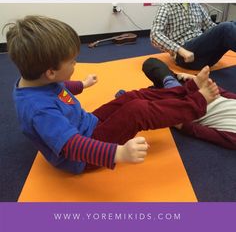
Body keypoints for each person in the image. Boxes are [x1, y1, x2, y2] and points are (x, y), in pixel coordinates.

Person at [5, 15, 219, 174]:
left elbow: (60, 87)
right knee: (137, 111)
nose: (75, 64)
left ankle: (185, 90)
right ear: (51, 72)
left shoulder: (38, 81)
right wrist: (118, 153)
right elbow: (71, 146)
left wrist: (82, 84)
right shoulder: (39, 110)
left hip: (88, 124)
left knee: (131, 97)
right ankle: (196, 103)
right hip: (82, 156)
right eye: (71, 62)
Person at [142, 57, 236, 149]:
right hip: (198, 91)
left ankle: (167, 84)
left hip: (185, 106)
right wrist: (195, 79)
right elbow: (223, 93)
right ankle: (167, 83)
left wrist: (172, 118)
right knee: (151, 64)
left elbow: (198, 131)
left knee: (138, 104)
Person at [150, 3, 236, 70]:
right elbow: (155, 34)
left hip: (206, 57)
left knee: (232, 24)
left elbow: (211, 27)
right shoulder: (166, 7)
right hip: (185, 57)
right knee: (226, 27)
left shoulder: (197, 6)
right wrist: (180, 50)